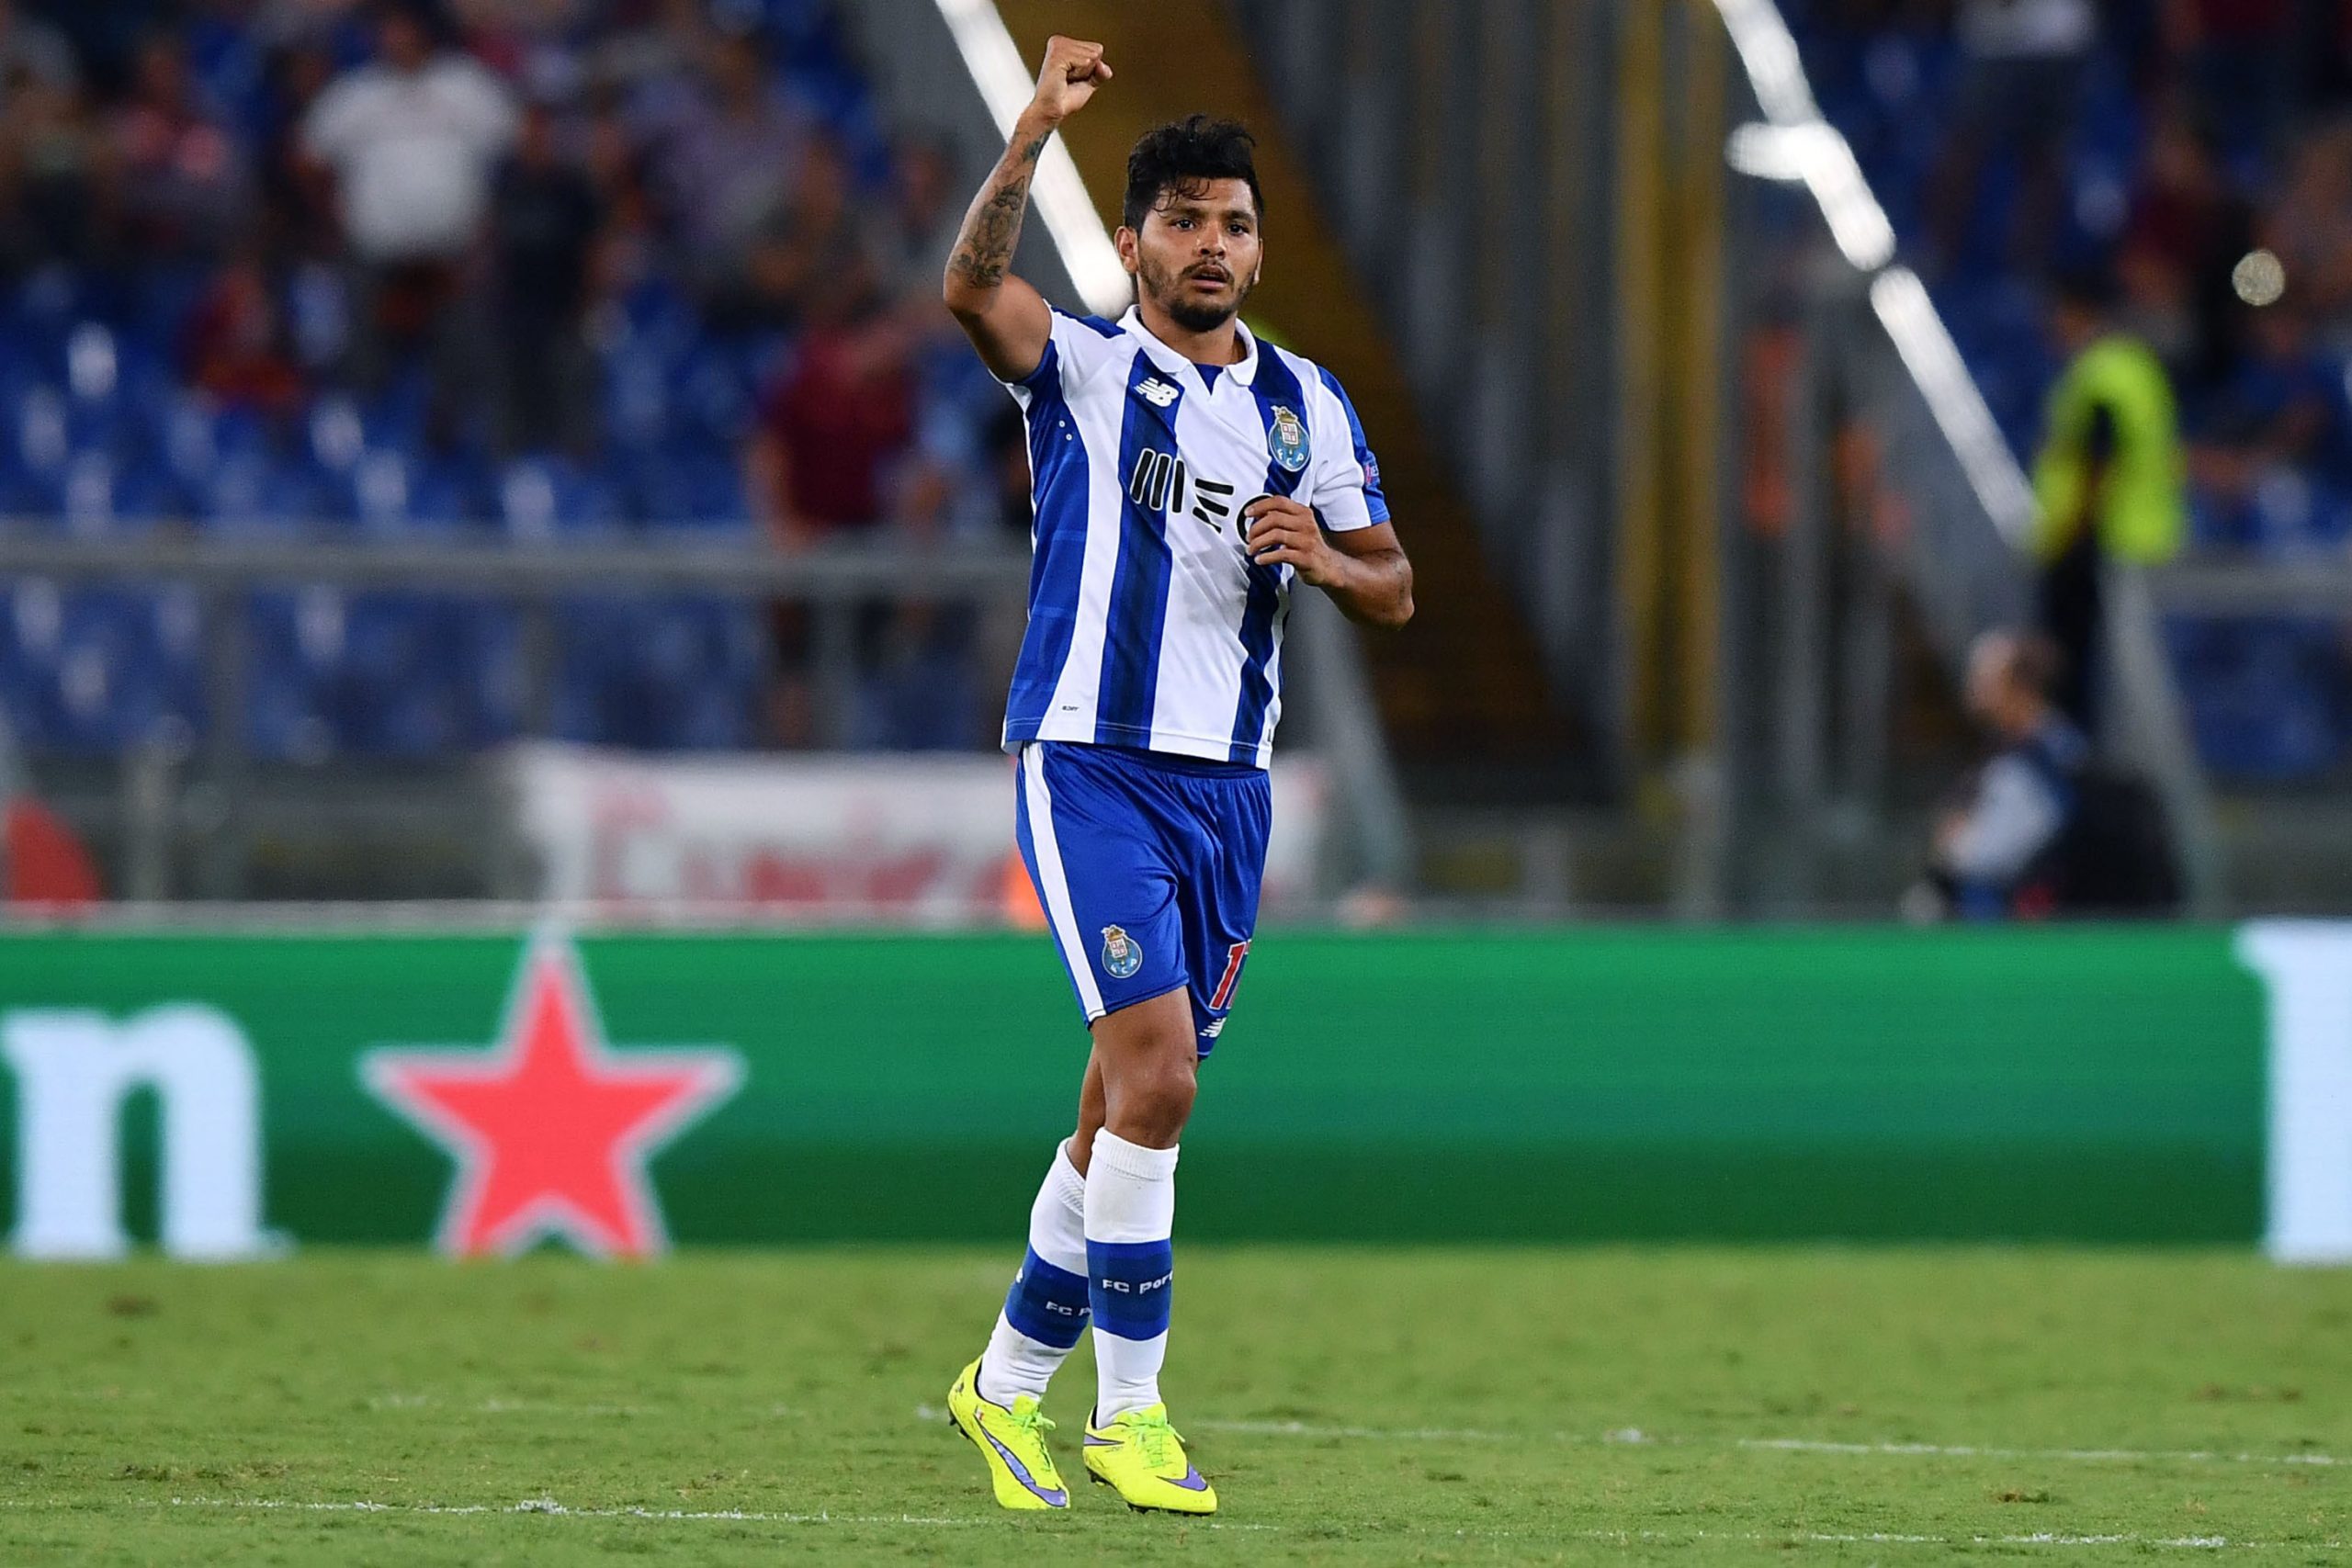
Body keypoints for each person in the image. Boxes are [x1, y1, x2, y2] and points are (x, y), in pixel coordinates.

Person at [934, 38, 1413, 1517]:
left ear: (1258, 249)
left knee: (1114, 1112)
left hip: (1229, 791)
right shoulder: (1084, 369)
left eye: (1235, 222)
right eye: (1185, 219)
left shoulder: (1305, 407)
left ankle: (1002, 1383)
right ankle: (1129, 1414)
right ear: (1136, 240)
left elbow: (1395, 584)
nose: (1213, 243)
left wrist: (1323, 556)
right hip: (1091, 760)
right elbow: (971, 288)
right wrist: (1032, 130)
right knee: (1161, 1079)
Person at [2030, 268, 2187, 728]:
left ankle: (2080, 761)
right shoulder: (2136, 366)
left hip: (2098, 545)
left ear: (2078, 311)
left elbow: (2100, 460)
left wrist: (2072, 534)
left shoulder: (2101, 372)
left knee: (2080, 678)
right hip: (2138, 542)